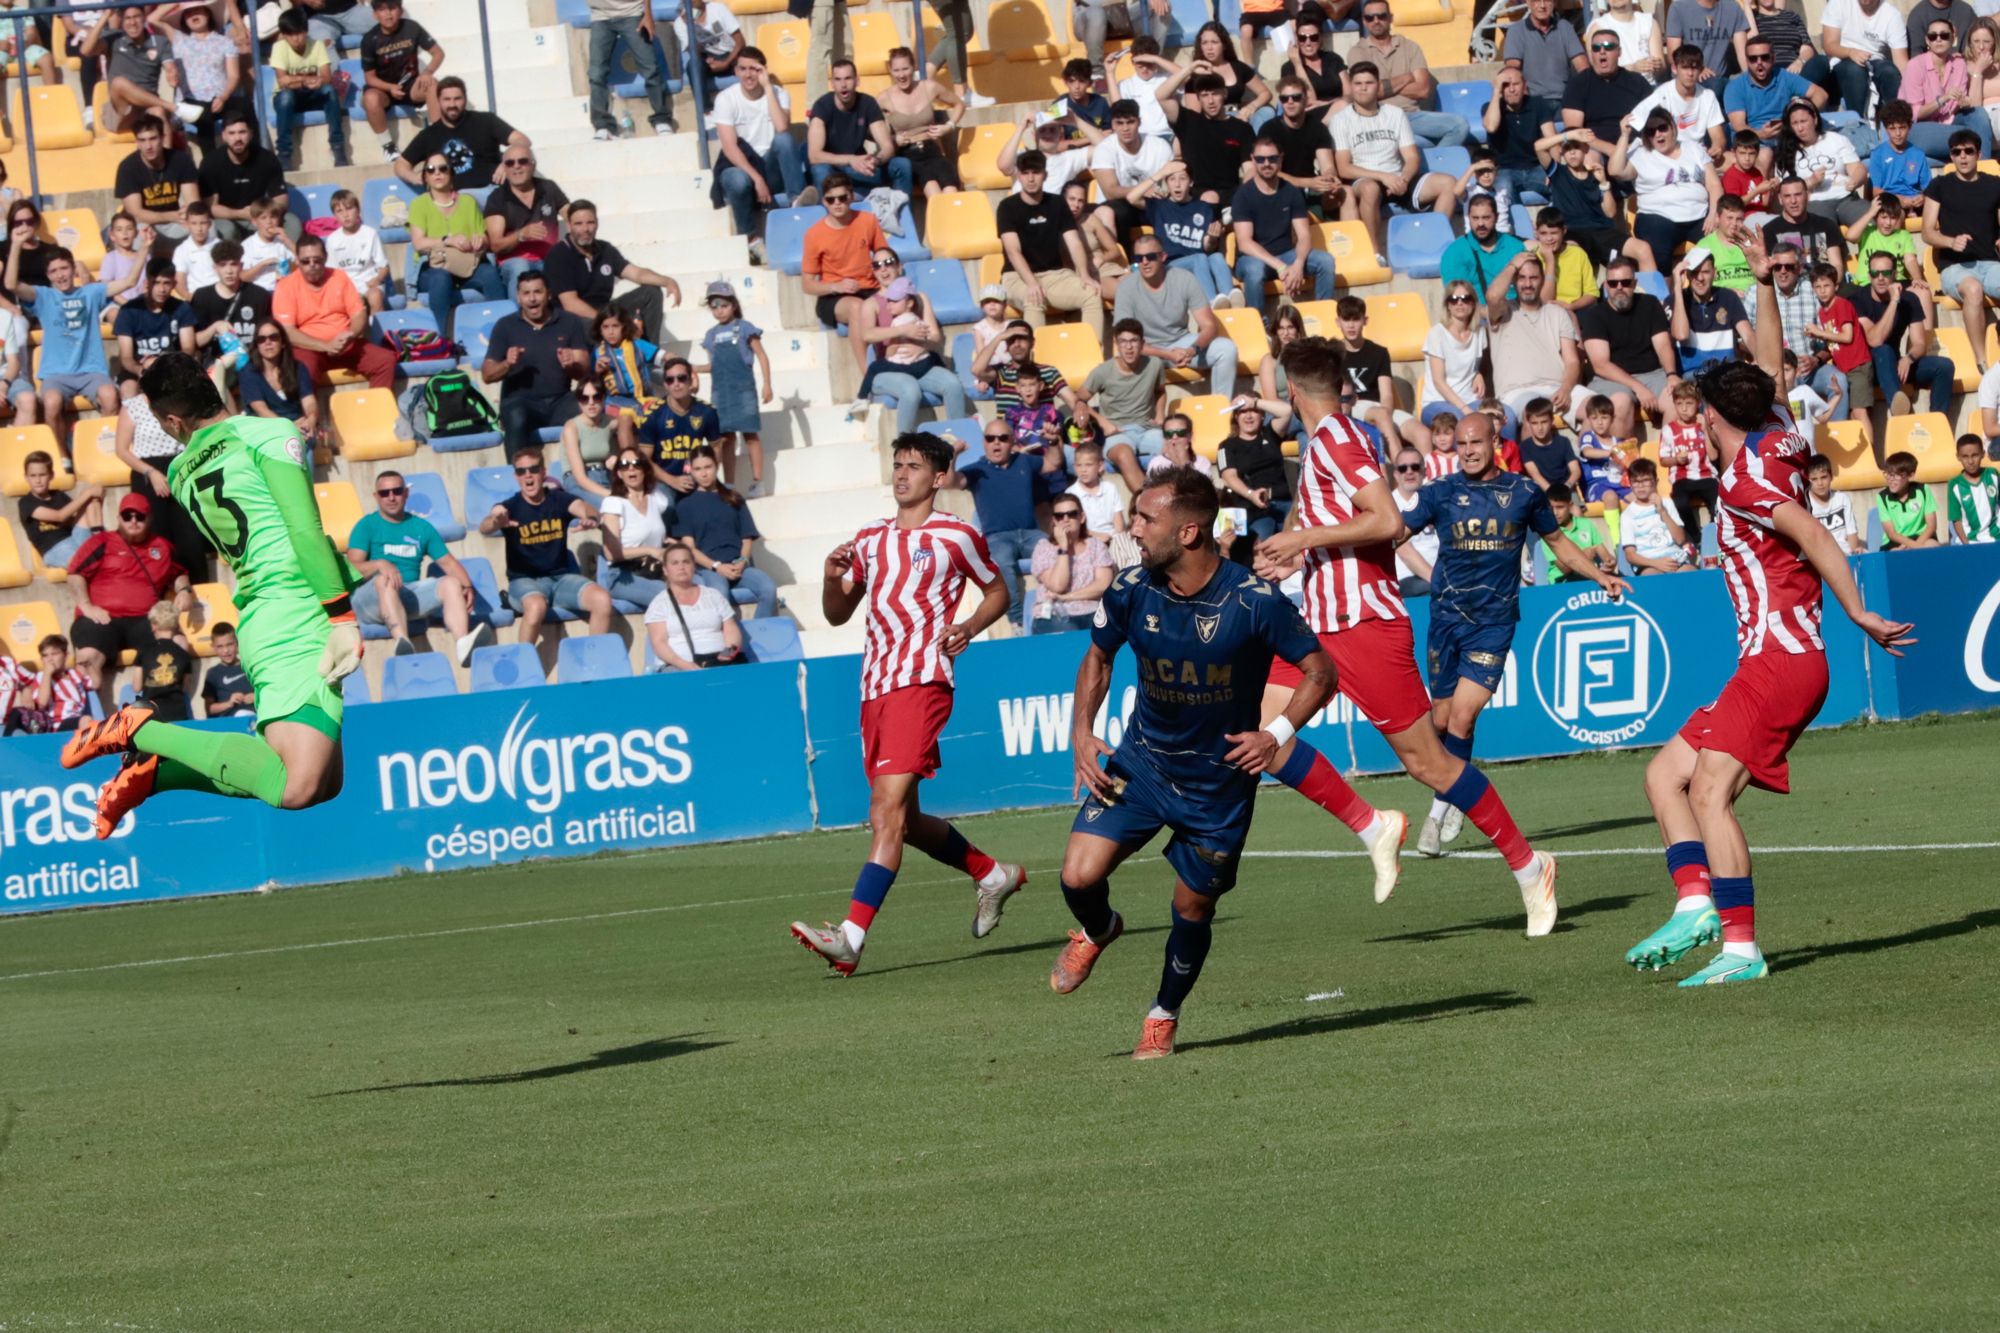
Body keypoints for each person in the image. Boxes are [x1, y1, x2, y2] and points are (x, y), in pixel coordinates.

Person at [1627, 233, 1916, 986]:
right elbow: (1773, 367)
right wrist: (1762, 283)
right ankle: (1696, 902)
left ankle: (1740, 948)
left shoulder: (1750, 483)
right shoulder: (1778, 436)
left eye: (1694, 407)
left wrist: (1856, 610)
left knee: (1710, 792)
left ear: (1712, 420)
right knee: (1665, 777)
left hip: (1783, 660)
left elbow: (1816, 532)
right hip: (1767, 660)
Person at [1254, 340, 1558, 920]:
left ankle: (1528, 864)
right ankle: (1373, 825)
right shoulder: (1328, 441)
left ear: (1292, 392)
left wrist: (1299, 539)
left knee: (1429, 765)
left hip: (1364, 624)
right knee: (1260, 736)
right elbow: (1353, 530)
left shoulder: (1339, 438)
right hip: (1320, 623)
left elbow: (1388, 520)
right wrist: (1298, 559)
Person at [1049, 464, 1331, 1059]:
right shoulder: (1131, 588)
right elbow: (1097, 660)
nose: (1134, 527)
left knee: (1191, 907)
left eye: (1147, 518)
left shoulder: (1255, 602)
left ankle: (1163, 1014)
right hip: (1143, 762)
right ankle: (1100, 929)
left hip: (1217, 786)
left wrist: (1275, 733)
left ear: (1189, 533)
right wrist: (1081, 733)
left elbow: (1320, 672)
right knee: (1077, 875)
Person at [58, 353, 365, 837]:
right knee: (298, 786)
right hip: (297, 610)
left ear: (174, 420)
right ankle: (139, 728)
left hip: (264, 611)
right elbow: (304, 532)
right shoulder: (267, 434)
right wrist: (342, 616)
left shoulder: (180, 472)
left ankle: (156, 771)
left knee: (327, 785)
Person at [790, 433, 1023, 975]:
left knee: (884, 814)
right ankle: (991, 874)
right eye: (897, 464)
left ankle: (850, 936)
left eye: (913, 466)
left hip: (923, 681)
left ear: (938, 478)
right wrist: (831, 579)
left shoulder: (955, 536)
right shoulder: (869, 538)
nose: (901, 474)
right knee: (904, 819)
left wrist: (968, 625)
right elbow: (836, 614)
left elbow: (998, 591)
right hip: (874, 686)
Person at [1399, 407, 1629, 854]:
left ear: (1495, 444)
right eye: (1461, 444)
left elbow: (1559, 543)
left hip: (1494, 622)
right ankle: (1457, 796)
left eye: (1475, 443)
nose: (1467, 451)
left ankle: (1438, 812)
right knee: (1442, 720)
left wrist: (1600, 575)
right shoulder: (1439, 492)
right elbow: (1395, 531)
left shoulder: (1523, 492)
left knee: (1465, 716)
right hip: (1445, 620)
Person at [344, 468, 490, 664]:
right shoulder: (367, 525)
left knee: (451, 583)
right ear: (376, 497)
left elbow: (448, 562)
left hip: (406, 595)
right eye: (384, 493)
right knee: (384, 580)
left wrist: (467, 586)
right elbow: (351, 568)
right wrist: (380, 564)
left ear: (406, 493)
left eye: (396, 491)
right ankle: (402, 642)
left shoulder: (421, 527)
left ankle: (463, 644)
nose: (391, 497)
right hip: (369, 600)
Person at [478, 443, 615, 642]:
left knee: (602, 600)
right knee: (536, 607)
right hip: (524, 582)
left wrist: (591, 519)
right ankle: (525, 666)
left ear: (543, 473)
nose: (528, 475)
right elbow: (484, 527)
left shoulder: (558, 499)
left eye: (533, 469)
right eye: (521, 471)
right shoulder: (510, 507)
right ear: (516, 476)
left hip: (562, 579)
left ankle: (593, 662)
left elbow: (586, 508)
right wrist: (495, 521)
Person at [945, 418, 1072, 626]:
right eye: (990, 438)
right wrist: (953, 454)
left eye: (1003, 438)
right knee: (1002, 563)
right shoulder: (976, 469)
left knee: (1057, 551)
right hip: (998, 537)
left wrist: (1054, 442)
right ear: (984, 443)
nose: (996, 443)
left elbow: (1052, 463)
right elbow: (950, 482)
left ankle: (1059, 608)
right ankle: (1018, 622)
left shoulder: (1023, 461)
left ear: (1012, 442)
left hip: (1031, 532)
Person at [1331, 63, 1458, 268]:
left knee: (1448, 183)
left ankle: (1434, 243)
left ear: (1378, 86)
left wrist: (1404, 179)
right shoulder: (1341, 120)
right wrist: (1382, 176)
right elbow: (1344, 167)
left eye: (1369, 83)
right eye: (1358, 84)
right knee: (1370, 189)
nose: (1363, 88)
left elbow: (1412, 157)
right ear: (1351, 87)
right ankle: (1375, 254)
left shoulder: (1394, 113)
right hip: (1364, 178)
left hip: (1398, 176)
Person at [9, 241, 122, 436]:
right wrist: (16, 245)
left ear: (73, 269)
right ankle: (62, 456)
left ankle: (106, 448)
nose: (60, 274)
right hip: (56, 374)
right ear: (48, 275)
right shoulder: (44, 296)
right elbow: (11, 284)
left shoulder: (91, 292)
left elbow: (129, 282)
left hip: (91, 370)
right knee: (51, 403)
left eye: (64, 268)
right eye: (54, 271)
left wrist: (145, 247)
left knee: (110, 396)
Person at [272, 235, 396, 412]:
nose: (312, 265)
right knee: (303, 370)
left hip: (345, 343)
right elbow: (287, 331)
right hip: (310, 348)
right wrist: (324, 345)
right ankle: (310, 422)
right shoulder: (286, 285)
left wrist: (351, 334)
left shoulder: (339, 277)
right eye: (306, 261)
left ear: (326, 258)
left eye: (317, 260)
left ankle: (376, 414)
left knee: (385, 360)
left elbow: (359, 313)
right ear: (297, 261)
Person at [994, 150, 1105, 342]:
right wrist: (1031, 282)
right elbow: (1013, 251)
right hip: (1016, 276)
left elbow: (1074, 241)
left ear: (1045, 175)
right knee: (1033, 299)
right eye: (1026, 173)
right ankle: (1037, 364)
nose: (1030, 178)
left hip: (1055, 275)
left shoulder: (1057, 204)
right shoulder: (1007, 206)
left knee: (1092, 293)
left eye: (1035, 173)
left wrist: (1085, 274)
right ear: (1019, 175)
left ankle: (1092, 356)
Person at [543, 201, 681, 347]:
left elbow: (637, 273)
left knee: (651, 292)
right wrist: (609, 323)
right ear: (569, 225)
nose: (585, 229)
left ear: (597, 224)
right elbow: (571, 304)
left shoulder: (604, 249)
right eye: (579, 224)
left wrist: (667, 281)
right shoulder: (558, 255)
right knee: (590, 325)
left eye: (590, 223)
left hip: (604, 312)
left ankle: (650, 356)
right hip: (575, 319)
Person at [1115, 233, 1237, 397]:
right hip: (1145, 350)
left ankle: (1221, 413)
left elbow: (1209, 326)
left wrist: (1191, 350)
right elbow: (1124, 340)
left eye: (1150, 256)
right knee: (1128, 357)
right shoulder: (1126, 287)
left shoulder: (1184, 278)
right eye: (1139, 257)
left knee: (1227, 349)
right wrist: (1168, 355)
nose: (1144, 262)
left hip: (1181, 342)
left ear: (1163, 256)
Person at [481, 272, 592, 451]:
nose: (532, 299)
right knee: (516, 414)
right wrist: (507, 364)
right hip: (521, 403)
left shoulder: (569, 322)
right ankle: (516, 473)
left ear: (548, 294)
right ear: (518, 297)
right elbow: (487, 374)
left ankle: (596, 471)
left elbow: (584, 371)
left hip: (560, 401)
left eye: (537, 292)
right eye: (526, 293)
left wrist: (571, 365)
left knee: (589, 407)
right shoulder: (505, 326)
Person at [712, 47, 808, 250]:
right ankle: (750, 238)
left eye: (754, 69)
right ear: (736, 71)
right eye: (743, 69)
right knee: (736, 179)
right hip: (743, 167)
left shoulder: (779, 94)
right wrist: (757, 179)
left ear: (763, 70)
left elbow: (782, 126)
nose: (748, 74)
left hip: (772, 167)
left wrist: (767, 89)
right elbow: (729, 148)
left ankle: (796, 201)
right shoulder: (725, 99)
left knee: (783, 140)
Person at [1923, 128, 2000, 375]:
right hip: (1954, 267)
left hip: (1990, 263)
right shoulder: (1940, 185)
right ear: (1951, 157)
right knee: (1973, 290)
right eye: (1957, 152)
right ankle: (1982, 361)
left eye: (1968, 151)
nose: (1963, 157)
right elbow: (1926, 232)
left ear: (1979, 154)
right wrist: (1949, 241)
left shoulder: (1994, 185)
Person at [407, 152, 506, 340]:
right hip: (435, 266)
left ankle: (503, 335)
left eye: (443, 168)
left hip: (467, 263)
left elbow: (484, 238)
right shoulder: (419, 204)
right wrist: (447, 240)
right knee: (441, 279)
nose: (437, 173)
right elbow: (419, 243)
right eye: (431, 169)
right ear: (425, 176)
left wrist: (480, 241)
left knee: (490, 275)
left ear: (451, 173)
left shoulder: (468, 202)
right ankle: (441, 341)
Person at [1579, 255, 1681, 437]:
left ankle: (1669, 459)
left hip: (1653, 374)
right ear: (1606, 286)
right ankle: (1623, 463)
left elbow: (1663, 345)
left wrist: (1672, 375)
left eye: (1625, 282)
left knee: (1679, 399)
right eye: (1613, 283)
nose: (1619, 288)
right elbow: (1601, 365)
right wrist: (1638, 388)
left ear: (1634, 284)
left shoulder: (1650, 304)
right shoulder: (1595, 315)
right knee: (1620, 403)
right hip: (1611, 380)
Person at [1234, 134, 1335, 316]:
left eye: (1272, 158)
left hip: (1286, 255)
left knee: (1325, 261)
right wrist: (1280, 266)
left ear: (1281, 159)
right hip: (1253, 259)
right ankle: (1260, 326)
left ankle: (1324, 316)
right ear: (1252, 160)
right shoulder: (1243, 195)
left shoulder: (1291, 192)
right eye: (1260, 159)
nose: (1266, 163)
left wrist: (1298, 263)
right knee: (1254, 270)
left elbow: (1304, 236)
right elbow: (1244, 243)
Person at [672, 444, 777, 618]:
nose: (704, 473)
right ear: (691, 470)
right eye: (698, 469)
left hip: (739, 566)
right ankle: (730, 641)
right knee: (719, 592)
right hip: (709, 569)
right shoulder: (685, 505)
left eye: (708, 467)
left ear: (716, 466)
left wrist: (742, 562)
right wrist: (717, 567)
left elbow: (746, 538)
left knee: (768, 588)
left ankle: (761, 632)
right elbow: (690, 548)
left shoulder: (733, 498)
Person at [1612, 109, 1722, 272]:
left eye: (1662, 128)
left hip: (1700, 216)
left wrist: (1714, 213)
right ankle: (1661, 296)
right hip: (1658, 216)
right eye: (1651, 131)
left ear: (1673, 128)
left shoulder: (1694, 149)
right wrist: (1624, 135)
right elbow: (1615, 171)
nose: (1657, 134)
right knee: (1658, 249)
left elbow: (1714, 185)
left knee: (1721, 248)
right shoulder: (1640, 154)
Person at [1849, 249, 1955, 415]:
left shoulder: (1909, 299)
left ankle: (1938, 420)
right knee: (1883, 350)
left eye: (1885, 273)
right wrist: (1893, 302)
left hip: (1896, 364)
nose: (1880, 278)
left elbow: (1920, 343)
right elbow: (1875, 340)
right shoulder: (1857, 300)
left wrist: (1909, 358)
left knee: (1944, 366)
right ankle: (1900, 410)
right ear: (1869, 276)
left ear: (1894, 274)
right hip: (1867, 368)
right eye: (1875, 273)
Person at [1350, 1, 1468, 147]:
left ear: (1390, 18)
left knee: (1459, 125)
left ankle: (1438, 161)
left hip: (1412, 116)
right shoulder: (1358, 51)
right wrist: (1407, 77)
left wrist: (1382, 86)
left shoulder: (1410, 47)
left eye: (1381, 16)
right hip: (1380, 117)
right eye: (1370, 18)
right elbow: (1367, 91)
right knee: (1416, 142)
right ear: (1364, 21)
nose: (1376, 21)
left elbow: (1423, 90)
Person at [1488, 251, 1585, 427]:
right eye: (1522, 278)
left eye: (1533, 278)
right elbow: (1493, 297)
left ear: (1542, 280)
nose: (1527, 284)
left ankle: (1595, 452)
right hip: (1517, 393)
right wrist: (1512, 266)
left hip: (1557, 389)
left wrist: (1566, 388)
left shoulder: (1557, 313)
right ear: (1514, 282)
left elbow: (1572, 361)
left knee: (1603, 407)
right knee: (1534, 409)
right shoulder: (1503, 312)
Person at [691, 282, 769, 496]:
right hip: (721, 392)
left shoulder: (744, 327)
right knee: (726, 438)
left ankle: (758, 481)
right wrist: (693, 368)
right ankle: (729, 483)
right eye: (714, 306)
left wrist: (767, 384)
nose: (719, 310)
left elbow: (761, 355)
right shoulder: (711, 335)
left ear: (733, 305)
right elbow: (714, 365)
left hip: (743, 390)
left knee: (750, 434)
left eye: (723, 305)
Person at [396, 77, 530, 190]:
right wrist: (413, 177)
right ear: (439, 101)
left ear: (465, 99)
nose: (452, 104)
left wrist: (507, 162)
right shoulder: (429, 135)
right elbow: (401, 164)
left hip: (491, 191)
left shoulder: (486, 121)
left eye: (457, 99)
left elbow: (522, 140)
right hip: (454, 199)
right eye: (447, 99)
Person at [1081, 320, 1168, 491]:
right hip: (1118, 432)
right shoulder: (1103, 371)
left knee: (1173, 447)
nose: (1129, 347)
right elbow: (1079, 400)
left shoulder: (1154, 364)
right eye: (1123, 341)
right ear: (1116, 344)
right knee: (1123, 454)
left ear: (1142, 344)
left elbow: (1160, 391)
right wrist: (1101, 421)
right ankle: (1147, 505)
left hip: (1147, 429)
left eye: (1134, 341)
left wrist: (1160, 415)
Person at [806, 60, 913, 198]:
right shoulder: (822, 106)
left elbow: (887, 146)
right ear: (832, 83)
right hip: (834, 169)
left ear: (857, 81)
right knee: (821, 170)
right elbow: (814, 155)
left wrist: (876, 160)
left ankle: (902, 216)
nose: (843, 85)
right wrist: (851, 159)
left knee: (902, 165)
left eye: (848, 78)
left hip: (860, 168)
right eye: (838, 80)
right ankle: (828, 216)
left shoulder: (867, 103)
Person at [1154, 68, 1255, 207]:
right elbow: (1161, 95)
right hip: (1193, 195)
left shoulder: (1242, 128)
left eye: (1215, 94)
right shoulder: (1187, 121)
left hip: (1230, 195)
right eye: (1205, 95)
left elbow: (1250, 168)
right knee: (1208, 198)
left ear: (1225, 94)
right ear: (1198, 98)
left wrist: (1242, 197)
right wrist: (1190, 68)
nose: (1211, 101)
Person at [82, 6, 188, 136]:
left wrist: (172, 73)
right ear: (121, 20)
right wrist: (105, 17)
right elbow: (85, 51)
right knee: (119, 83)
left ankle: (166, 155)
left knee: (158, 113)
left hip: (147, 106)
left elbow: (170, 67)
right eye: (127, 18)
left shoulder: (160, 42)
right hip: (120, 111)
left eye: (137, 17)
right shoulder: (114, 39)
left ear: (144, 17)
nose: (132, 22)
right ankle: (172, 107)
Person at [482, 145, 568, 302]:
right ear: (505, 168)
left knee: (563, 264)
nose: (516, 166)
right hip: (514, 261)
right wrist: (521, 235)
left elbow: (571, 216)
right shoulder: (497, 198)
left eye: (522, 161)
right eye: (510, 163)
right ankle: (519, 321)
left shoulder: (548, 188)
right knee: (521, 267)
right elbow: (496, 245)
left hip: (548, 259)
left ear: (533, 165)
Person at [360, 0, 444, 160]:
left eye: (392, 8)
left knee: (433, 84)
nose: (388, 14)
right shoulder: (369, 39)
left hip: (411, 86)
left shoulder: (412, 28)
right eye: (383, 10)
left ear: (400, 10)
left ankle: (437, 139)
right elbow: (369, 78)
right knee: (370, 98)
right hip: (383, 90)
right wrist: (390, 87)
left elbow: (438, 53)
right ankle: (388, 146)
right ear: (375, 14)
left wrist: (427, 72)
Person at [597, 448, 679, 610]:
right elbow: (611, 552)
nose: (631, 469)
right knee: (669, 596)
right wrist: (649, 550)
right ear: (619, 473)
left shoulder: (657, 498)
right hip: (624, 574)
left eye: (636, 464)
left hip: (655, 570)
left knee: (699, 587)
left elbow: (653, 532)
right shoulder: (613, 503)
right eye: (624, 465)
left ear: (645, 470)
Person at [880, 46, 964, 200]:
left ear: (914, 67)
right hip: (907, 155)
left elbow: (959, 104)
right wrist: (892, 139)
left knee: (950, 187)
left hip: (932, 150)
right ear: (890, 71)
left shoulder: (928, 87)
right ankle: (939, 222)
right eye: (896, 70)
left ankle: (952, 222)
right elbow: (871, 129)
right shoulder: (884, 98)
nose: (901, 75)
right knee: (932, 189)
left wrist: (949, 126)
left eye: (905, 69)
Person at [644, 546, 745, 670]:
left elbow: (731, 629)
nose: (681, 567)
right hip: (678, 667)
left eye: (686, 562)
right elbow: (659, 643)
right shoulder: (659, 604)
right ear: (665, 569)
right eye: (675, 563)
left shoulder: (714, 595)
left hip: (719, 663)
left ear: (694, 566)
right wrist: (687, 665)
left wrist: (729, 652)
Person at [269, 7, 348, 166]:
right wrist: (307, 80)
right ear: (284, 36)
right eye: (291, 35)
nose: (296, 39)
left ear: (306, 31)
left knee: (329, 91)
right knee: (286, 97)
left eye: (299, 33)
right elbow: (282, 80)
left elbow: (326, 77)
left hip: (311, 94)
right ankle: (284, 153)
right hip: (289, 97)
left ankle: (338, 146)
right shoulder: (279, 48)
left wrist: (313, 81)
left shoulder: (317, 45)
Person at [1561, 28, 1653, 163]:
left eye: (1609, 47)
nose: (1602, 51)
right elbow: (1574, 132)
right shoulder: (1578, 84)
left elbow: (1653, 120)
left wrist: (1630, 147)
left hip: (1634, 146)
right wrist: (1614, 150)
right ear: (1591, 53)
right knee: (1589, 158)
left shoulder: (1637, 81)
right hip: (1596, 149)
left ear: (1619, 52)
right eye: (1596, 48)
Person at [114, 115, 200, 259]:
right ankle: (141, 281)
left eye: (153, 139)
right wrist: (173, 216)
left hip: (174, 223)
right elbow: (136, 214)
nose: (148, 146)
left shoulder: (180, 160)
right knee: (140, 234)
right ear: (137, 142)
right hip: (146, 224)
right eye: (142, 140)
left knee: (204, 227)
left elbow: (194, 203)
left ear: (162, 138)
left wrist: (188, 212)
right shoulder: (128, 167)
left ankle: (205, 279)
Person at [588, 0, 675, 139]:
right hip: (600, 17)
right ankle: (603, 126)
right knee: (596, 74)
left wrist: (648, 15)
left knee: (650, 68)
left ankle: (662, 120)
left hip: (632, 13)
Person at [1901, 23, 1990, 160]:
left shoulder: (1959, 64)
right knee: (1976, 135)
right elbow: (1914, 113)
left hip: (1949, 124)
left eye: (1944, 35)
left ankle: (1984, 170)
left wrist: (1963, 102)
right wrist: (1943, 99)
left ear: (1953, 38)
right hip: (1919, 127)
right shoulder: (1915, 65)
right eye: (1933, 36)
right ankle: (1972, 151)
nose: (1938, 39)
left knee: (1978, 114)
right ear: (1927, 40)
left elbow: (1957, 108)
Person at [1775, 99, 1866, 226]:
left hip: (1845, 197)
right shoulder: (1785, 152)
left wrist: (1855, 180)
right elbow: (1784, 190)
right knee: (1823, 232)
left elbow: (1857, 168)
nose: (1800, 128)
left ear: (1815, 119)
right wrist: (1810, 182)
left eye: (1803, 121)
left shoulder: (1836, 139)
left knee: (1869, 223)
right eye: (1795, 123)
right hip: (1815, 201)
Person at [1726, 31, 1826, 147]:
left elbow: (1821, 95)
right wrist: (1760, 134)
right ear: (1747, 61)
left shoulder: (1784, 76)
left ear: (1773, 58)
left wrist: (1800, 114)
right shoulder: (1735, 86)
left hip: (1787, 134)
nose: (1759, 63)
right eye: (1753, 59)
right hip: (1755, 138)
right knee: (1765, 155)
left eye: (1765, 57)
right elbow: (1739, 126)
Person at [1030, 496, 1114, 632]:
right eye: (1059, 516)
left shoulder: (1097, 546)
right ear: (1053, 520)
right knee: (1069, 634)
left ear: (1082, 517)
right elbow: (1058, 586)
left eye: (1072, 514)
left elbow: (1103, 586)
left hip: (1093, 612)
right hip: (1054, 615)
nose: (1065, 519)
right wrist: (1063, 548)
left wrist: (1066, 597)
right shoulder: (1043, 548)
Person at [198, 115, 287, 243]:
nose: (237, 138)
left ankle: (287, 261)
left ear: (251, 134)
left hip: (261, 214)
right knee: (226, 229)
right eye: (232, 133)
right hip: (227, 217)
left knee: (292, 223)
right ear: (223, 136)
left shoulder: (267, 159)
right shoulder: (211, 162)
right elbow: (211, 208)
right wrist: (240, 213)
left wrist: (263, 216)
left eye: (242, 132)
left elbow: (281, 200)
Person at [637, 356, 720, 492]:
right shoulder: (653, 415)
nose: (676, 383)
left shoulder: (707, 412)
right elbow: (644, 457)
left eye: (681, 378)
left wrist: (708, 477)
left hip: (696, 478)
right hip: (663, 481)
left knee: (723, 501)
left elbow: (716, 447)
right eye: (670, 380)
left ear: (690, 380)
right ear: (665, 384)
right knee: (666, 505)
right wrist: (672, 480)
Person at [189, 239, 275, 370]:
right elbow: (194, 341)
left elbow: (269, 334)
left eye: (233, 264)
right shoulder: (202, 297)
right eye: (223, 265)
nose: (229, 271)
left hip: (253, 363)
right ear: (215, 268)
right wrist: (215, 327)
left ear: (241, 266)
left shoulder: (259, 296)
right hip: (216, 364)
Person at [1218, 396, 1293, 541]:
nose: (1249, 416)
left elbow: (1287, 411)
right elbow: (1229, 477)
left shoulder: (1270, 434)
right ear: (1236, 417)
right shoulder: (1227, 446)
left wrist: (1256, 401)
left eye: (1254, 411)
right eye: (1243, 411)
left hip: (1284, 502)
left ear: (1262, 415)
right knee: (1262, 543)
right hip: (1252, 508)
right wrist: (1251, 494)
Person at [113, 259, 194, 393]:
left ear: (174, 284)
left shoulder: (182, 308)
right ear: (146, 283)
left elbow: (188, 347)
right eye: (156, 283)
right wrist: (140, 370)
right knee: (129, 388)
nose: (162, 289)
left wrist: (169, 365)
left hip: (172, 367)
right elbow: (126, 357)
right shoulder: (129, 310)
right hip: (137, 368)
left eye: (167, 283)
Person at [1420, 280, 1492, 431]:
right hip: (1438, 401)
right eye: (1454, 299)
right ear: (1447, 305)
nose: (1460, 303)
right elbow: (1439, 382)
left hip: (1470, 399)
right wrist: (1464, 409)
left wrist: (1477, 373)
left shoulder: (1479, 332)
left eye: (1466, 299)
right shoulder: (1437, 334)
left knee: (1503, 417)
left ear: (1473, 304)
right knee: (1461, 422)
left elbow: (1476, 362)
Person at [1817, 0, 1909, 115]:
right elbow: (1829, 45)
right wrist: (1850, 52)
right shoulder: (1838, 4)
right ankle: (1858, 124)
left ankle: (1898, 119)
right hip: (1842, 56)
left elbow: (1901, 62)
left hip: (1875, 61)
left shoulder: (1892, 15)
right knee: (1854, 70)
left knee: (1890, 72)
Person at [1671, 248, 1752, 373]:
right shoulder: (1676, 300)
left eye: (1706, 272)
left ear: (1715, 273)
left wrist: (1761, 360)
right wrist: (1677, 288)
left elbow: (1748, 335)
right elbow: (1681, 335)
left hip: (1725, 373)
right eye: (1694, 273)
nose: (1700, 278)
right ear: (1687, 274)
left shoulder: (1728, 297)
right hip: (1691, 375)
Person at [17, 450, 102, 569]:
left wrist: (93, 495)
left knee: (92, 499)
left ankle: (101, 537)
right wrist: (86, 494)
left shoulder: (59, 495)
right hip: (55, 548)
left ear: (51, 475)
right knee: (82, 561)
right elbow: (59, 516)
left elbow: (75, 517)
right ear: (26, 477)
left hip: (74, 537)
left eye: (42, 475)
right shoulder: (26, 502)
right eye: (33, 476)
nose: (38, 480)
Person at [237, 321, 321, 443]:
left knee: (306, 438)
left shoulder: (297, 368)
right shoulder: (249, 373)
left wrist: (311, 419)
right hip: (266, 431)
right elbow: (261, 410)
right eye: (261, 339)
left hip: (298, 426)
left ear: (283, 343)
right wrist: (290, 428)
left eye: (274, 337)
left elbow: (309, 401)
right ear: (257, 345)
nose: (268, 342)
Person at [1505, 0, 1587, 123]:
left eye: (1547, 0)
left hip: (1565, 99)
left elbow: (1582, 65)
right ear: (1528, 3)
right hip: (1534, 101)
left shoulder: (1564, 27)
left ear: (1554, 3)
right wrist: (1525, 103)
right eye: (1537, 1)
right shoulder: (1516, 31)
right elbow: (1512, 70)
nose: (1542, 5)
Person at [1440, 194, 1526, 303]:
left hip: (1516, 313)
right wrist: (1490, 314)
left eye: (1486, 218)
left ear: (1497, 217)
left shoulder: (1516, 247)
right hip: (1476, 317)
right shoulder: (1455, 252)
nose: (1480, 223)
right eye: (1475, 218)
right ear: (1468, 218)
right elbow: (1458, 301)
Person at [1621, 455, 1695, 571]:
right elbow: (1630, 555)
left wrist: (1662, 511)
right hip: (1648, 564)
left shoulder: (1667, 503)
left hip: (1676, 559)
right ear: (1630, 483)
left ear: (1655, 481)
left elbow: (1680, 539)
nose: (1640, 486)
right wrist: (1656, 563)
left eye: (1645, 481)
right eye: (1636, 482)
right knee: (1652, 577)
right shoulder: (1627, 515)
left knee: (1690, 573)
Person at [324, 189, 389, 316]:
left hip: (369, 284)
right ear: (334, 216)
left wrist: (377, 279)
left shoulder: (370, 234)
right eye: (339, 211)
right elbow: (331, 272)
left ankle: (378, 332)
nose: (345, 215)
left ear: (358, 210)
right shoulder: (332, 239)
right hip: (345, 285)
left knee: (375, 297)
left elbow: (384, 267)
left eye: (349, 208)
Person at [1665, 0, 1751, 95]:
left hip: (1720, 80)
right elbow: (1673, 55)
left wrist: (1753, 80)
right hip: (1689, 78)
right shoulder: (1679, 7)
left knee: (1739, 87)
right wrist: (1698, 68)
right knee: (1715, 86)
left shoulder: (1733, 7)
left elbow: (1743, 54)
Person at [1543, 482, 1617, 583]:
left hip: (1591, 578)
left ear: (1570, 505)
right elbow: (1564, 569)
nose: (1555, 513)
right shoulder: (1547, 532)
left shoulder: (1586, 524)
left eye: (1560, 507)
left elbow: (1605, 555)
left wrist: (1611, 563)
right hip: (1563, 582)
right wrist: (1584, 556)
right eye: (1551, 508)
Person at [1390, 447, 1437, 595]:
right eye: (1403, 468)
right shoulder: (1390, 505)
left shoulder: (1435, 498)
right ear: (1396, 475)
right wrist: (1439, 583)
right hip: (1410, 578)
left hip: (1442, 573)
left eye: (1415, 467)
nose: (1409, 472)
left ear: (1425, 471)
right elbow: (1405, 552)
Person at [1877, 449, 1942, 546]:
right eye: (1889, 474)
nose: (1891, 479)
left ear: (1910, 476)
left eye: (1896, 475)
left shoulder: (1923, 490)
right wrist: (1910, 546)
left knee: (1933, 546)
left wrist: (1916, 545)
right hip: (1896, 542)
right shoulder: (1882, 497)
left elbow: (1931, 526)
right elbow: (1891, 533)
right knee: (1895, 554)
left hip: (1921, 538)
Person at [1516, 397, 1581, 491]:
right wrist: (1552, 492)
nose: (1540, 428)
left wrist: (1567, 486)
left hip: (1566, 490)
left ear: (1552, 421)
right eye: (1534, 423)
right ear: (1529, 423)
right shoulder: (1525, 447)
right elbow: (1535, 475)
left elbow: (1576, 471)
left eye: (1544, 422)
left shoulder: (1563, 442)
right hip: (1541, 492)